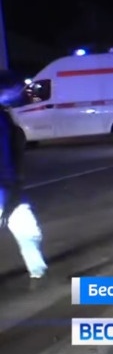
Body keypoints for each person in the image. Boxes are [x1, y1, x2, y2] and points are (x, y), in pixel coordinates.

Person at [0, 107, 47, 279]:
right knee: (29, 233)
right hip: (9, 186)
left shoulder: (8, 125)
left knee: (30, 234)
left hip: (9, 186)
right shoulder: (8, 124)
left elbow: (15, 154)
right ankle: (38, 271)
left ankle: (38, 271)